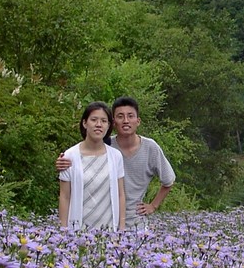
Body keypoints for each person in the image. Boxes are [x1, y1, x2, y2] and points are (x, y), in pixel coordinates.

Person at [57, 97, 175, 229]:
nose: (126, 121)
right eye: (120, 116)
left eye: (130, 116)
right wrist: (62, 162)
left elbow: (168, 181)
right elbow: (83, 157)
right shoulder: (106, 145)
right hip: (105, 222)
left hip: (135, 220)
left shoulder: (149, 148)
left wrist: (153, 206)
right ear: (113, 122)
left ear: (138, 121)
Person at [58, 102, 126, 230]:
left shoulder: (116, 156)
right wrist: (63, 230)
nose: (98, 124)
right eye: (94, 120)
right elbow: (65, 196)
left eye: (104, 121)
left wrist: (121, 228)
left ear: (108, 126)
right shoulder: (69, 156)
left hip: (109, 231)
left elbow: (120, 194)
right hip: (77, 231)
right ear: (85, 123)